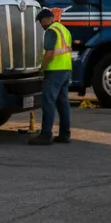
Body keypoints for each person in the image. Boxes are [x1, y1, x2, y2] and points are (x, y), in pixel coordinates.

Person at [31, 8, 73, 145]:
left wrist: (41, 69)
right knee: (63, 103)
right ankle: (65, 134)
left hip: (54, 71)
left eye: (42, 21)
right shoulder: (63, 29)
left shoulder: (51, 31)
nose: (42, 24)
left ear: (49, 19)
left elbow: (49, 54)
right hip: (66, 69)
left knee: (48, 102)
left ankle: (45, 135)